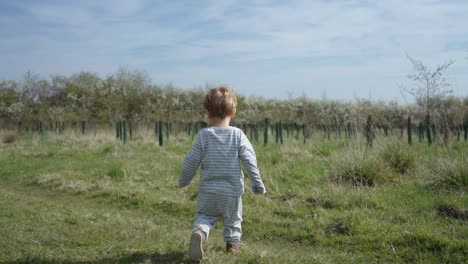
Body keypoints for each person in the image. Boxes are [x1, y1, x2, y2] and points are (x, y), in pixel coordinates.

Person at [178, 86, 267, 262]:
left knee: (204, 217)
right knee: (233, 220)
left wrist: (184, 180)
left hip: (208, 191)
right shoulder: (238, 135)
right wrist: (257, 183)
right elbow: (250, 160)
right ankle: (232, 247)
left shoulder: (204, 136)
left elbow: (191, 160)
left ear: (207, 112)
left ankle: (200, 234)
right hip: (231, 192)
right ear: (233, 112)